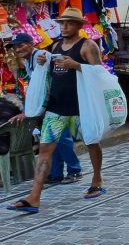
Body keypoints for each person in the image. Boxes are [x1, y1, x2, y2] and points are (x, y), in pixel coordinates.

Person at [7, 9, 106, 214]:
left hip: (82, 106)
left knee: (92, 142)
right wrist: (44, 64)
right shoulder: (55, 46)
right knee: (45, 150)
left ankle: (97, 178)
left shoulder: (88, 45)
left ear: (79, 25)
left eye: (69, 23)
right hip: (56, 107)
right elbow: (51, 75)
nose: (64, 27)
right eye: (62, 23)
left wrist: (77, 65)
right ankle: (34, 197)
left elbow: (100, 74)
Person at [6, 33, 83, 184]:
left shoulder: (41, 55)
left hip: (57, 102)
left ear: (31, 43)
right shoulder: (28, 61)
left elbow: (53, 73)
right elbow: (36, 87)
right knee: (50, 139)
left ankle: (75, 170)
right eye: (15, 47)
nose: (18, 49)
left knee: (61, 138)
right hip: (46, 104)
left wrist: (28, 112)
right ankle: (56, 173)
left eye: (21, 45)